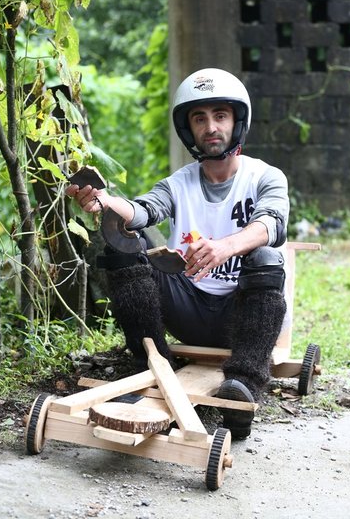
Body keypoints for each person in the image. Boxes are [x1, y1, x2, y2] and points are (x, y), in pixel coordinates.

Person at [66, 68, 289, 439]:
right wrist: (107, 200)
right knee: (124, 248)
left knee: (266, 257)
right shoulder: (178, 183)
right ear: (189, 129)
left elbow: (272, 223)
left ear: (237, 122)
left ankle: (244, 384)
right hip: (187, 308)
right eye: (199, 118)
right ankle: (151, 367)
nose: (211, 127)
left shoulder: (266, 177)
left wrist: (226, 245)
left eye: (220, 116)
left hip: (242, 315)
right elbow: (144, 210)